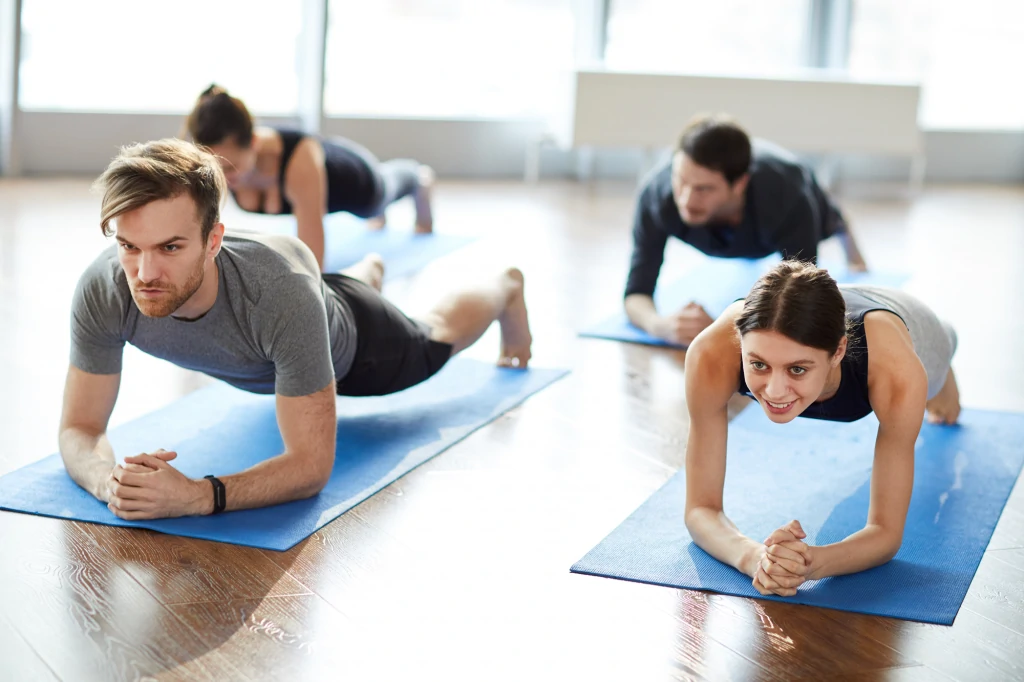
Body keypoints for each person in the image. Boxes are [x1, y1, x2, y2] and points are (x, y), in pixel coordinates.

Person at [59, 139, 531, 520]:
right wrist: (109, 481)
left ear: (213, 240)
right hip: (301, 308)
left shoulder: (278, 294)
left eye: (170, 247)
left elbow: (310, 466)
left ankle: (504, 286)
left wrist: (200, 496)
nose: (144, 273)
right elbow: (79, 428)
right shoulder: (105, 288)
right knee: (311, 298)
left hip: (357, 341)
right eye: (128, 246)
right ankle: (366, 273)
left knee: (434, 338)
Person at [682, 260, 959, 596]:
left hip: (915, 327)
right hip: (829, 308)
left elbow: (885, 532)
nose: (774, 391)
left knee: (939, 392)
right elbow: (700, 510)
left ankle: (947, 357)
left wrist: (811, 563)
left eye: (797, 369)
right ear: (739, 342)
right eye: (758, 364)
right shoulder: (711, 355)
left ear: (838, 351)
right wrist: (757, 559)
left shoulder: (895, 370)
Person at [624, 114, 868, 346]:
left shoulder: (786, 197)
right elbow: (635, 293)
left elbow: (804, 300)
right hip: (736, 228)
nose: (686, 199)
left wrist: (727, 329)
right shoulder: (656, 196)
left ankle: (846, 230)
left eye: (703, 189)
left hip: (783, 205)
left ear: (739, 184)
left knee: (831, 222)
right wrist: (660, 326)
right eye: (681, 180)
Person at [185, 84, 434, 270]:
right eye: (216, 168)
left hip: (353, 178)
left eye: (231, 167)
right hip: (318, 167)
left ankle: (420, 179)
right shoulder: (216, 157)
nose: (223, 177)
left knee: (377, 200)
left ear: (254, 143)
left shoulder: (298, 163)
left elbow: (315, 259)